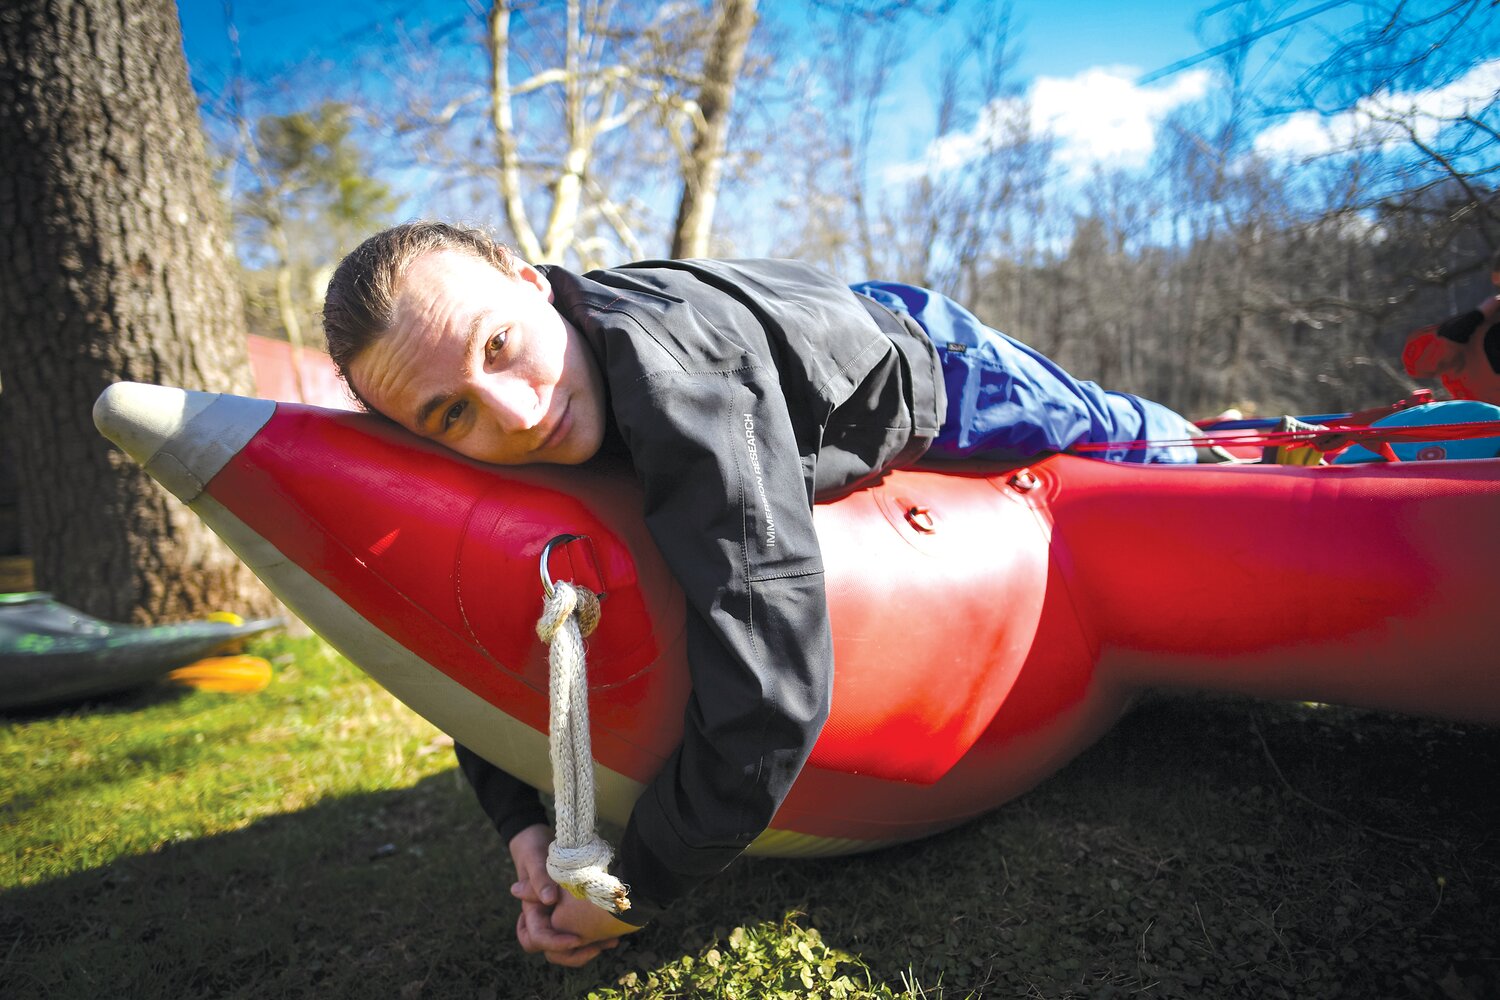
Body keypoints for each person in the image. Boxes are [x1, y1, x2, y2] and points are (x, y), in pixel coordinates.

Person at [321, 221, 1202, 967]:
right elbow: (462, 627)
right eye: (450, 413)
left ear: (530, 282)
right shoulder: (524, 409)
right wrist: (523, 823)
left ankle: (1202, 443)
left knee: (1110, 430)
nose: (513, 415)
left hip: (929, 353)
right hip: (800, 326)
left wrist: (630, 890)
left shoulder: (683, 386)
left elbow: (772, 697)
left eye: (499, 345)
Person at [1403, 250, 1500, 405]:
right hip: (1481, 425)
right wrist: (1477, 316)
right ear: (1497, 278)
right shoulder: (1474, 330)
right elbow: (1418, 364)